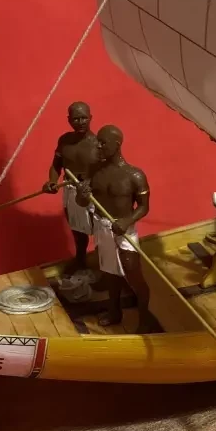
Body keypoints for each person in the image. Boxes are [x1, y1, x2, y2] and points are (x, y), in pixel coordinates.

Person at [75, 125, 159, 333]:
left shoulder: (135, 175)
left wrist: (127, 221)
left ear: (117, 144)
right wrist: (81, 195)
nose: (98, 145)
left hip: (124, 231)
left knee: (133, 274)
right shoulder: (95, 171)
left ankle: (145, 317)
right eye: (98, 141)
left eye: (103, 142)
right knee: (109, 272)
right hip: (102, 228)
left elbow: (144, 207)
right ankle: (114, 311)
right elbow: (83, 202)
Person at [42, 101, 100, 275]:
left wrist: (90, 183)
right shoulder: (64, 141)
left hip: (93, 191)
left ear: (90, 118)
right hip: (70, 188)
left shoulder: (98, 143)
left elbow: (106, 171)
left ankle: (105, 265)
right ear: (69, 120)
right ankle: (80, 260)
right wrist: (52, 181)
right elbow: (56, 165)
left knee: (100, 229)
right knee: (77, 229)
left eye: (83, 118)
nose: (80, 122)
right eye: (76, 119)